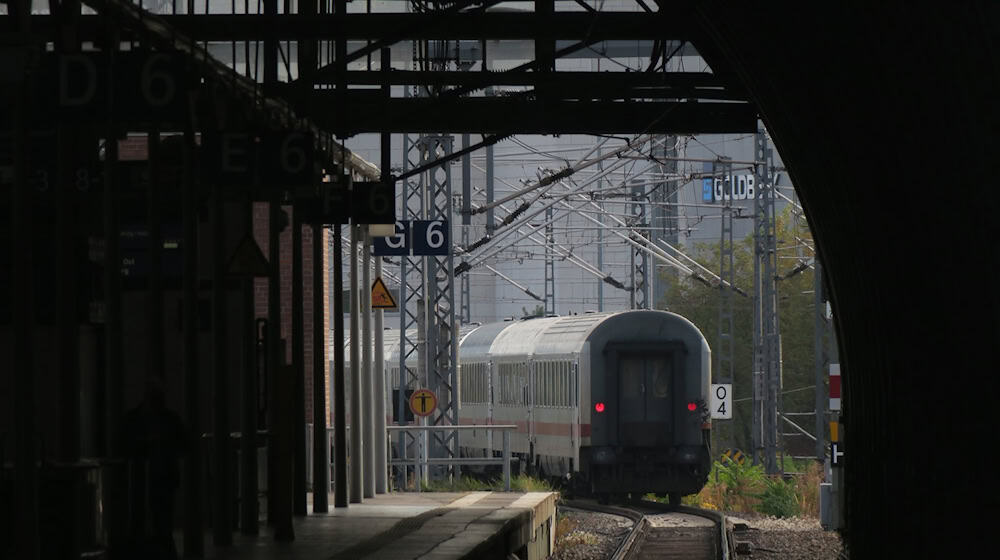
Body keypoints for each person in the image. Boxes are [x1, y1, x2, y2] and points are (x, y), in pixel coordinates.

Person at [122, 377, 188, 560]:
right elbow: (184, 445)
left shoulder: (135, 419)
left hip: (147, 478)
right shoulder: (169, 419)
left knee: (152, 520)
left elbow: (122, 445)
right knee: (159, 522)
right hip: (155, 477)